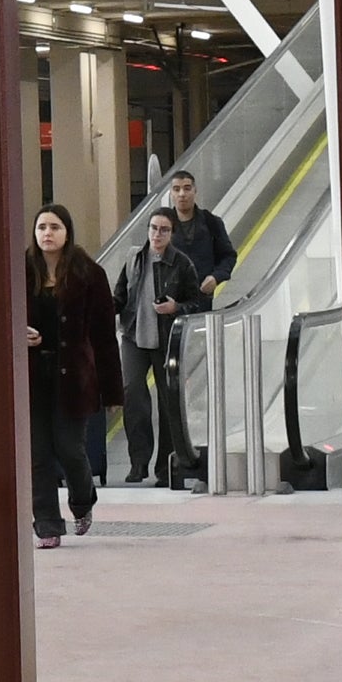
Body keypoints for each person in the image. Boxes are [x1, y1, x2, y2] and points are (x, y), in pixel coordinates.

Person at [117, 167, 236, 486]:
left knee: (172, 396)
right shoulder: (140, 253)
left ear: (195, 191)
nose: (182, 194)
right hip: (137, 333)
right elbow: (119, 295)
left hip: (182, 324)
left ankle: (167, 465)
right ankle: (139, 462)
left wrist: (216, 278)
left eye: (187, 188)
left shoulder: (208, 227)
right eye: (176, 189)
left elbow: (227, 257)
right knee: (134, 392)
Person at [25, 202, 125, 544]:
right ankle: (48, 525)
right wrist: (19, 333)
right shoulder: (21, 270)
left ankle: (82, 501)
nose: (47, 234)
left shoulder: (88, 273)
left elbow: (104, 337)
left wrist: (113, 392)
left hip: (74, 378)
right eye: (41, 228)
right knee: (37, 453)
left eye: (54, 227)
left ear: (67, 233)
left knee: (70, 448)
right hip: (33, 377)